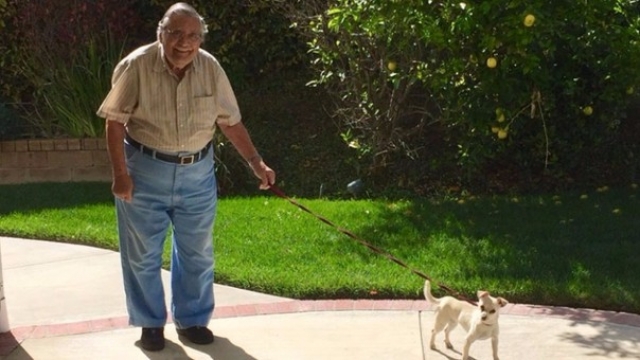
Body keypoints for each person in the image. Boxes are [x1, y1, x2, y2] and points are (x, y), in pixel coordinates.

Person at [96, 2, 276, 352]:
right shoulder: (136, 66)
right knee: (142, 254)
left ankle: (192, 319)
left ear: (200, 39)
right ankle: (150, 323)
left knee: (198, 253)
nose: (184, 42)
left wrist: (256, 162)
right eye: (176, 33)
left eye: (193, 35)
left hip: (198, 172)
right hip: (145, 169)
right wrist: (121, 174)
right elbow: (114, 121)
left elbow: (230, 121)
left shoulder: (210, 67)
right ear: (160, 33)